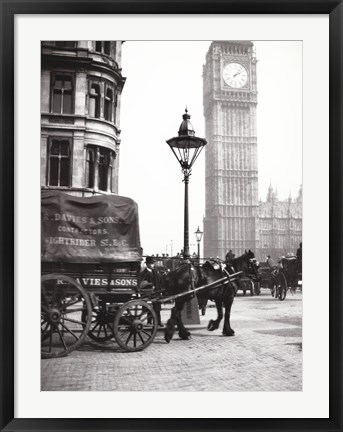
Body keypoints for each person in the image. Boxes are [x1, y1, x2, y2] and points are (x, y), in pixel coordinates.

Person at [140, 256, 164, 327]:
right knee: (149, 308)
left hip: (156, 292)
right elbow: (142, 283)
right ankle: (149, 321)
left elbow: (160, 281)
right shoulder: (144, 273)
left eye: (153, 263)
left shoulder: (156, 272)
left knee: (157, 308)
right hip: (148, 293)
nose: (152, 265)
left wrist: (161, 290)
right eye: (151, 263)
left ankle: (158, 322)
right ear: (147, 264)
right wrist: (149, 286)